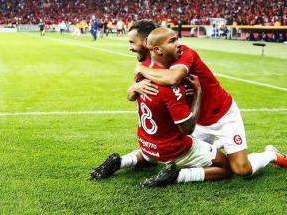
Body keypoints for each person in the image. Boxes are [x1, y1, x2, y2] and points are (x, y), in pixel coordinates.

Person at [131, 23, 287, 177]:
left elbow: (173, 78)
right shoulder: (157, 65)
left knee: (241, 170)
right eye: (172, 41)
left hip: (222, 115)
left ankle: (271, 154)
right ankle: (222, 144)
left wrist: (141, 69)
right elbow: (135, 93)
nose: (178, 44)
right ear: (157, 49)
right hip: (197, 120)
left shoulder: (186, 54)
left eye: (176, 39)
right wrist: (133, 88)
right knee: (187, 162)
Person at [91, 73, 232, 187]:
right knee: (226, 166)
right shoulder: (169, 84)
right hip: (172, 150)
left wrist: (135, 86)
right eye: (172, 41)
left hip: (147, 144)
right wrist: (198, 92)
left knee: (152, 153)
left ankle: (121, 161)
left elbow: (130, 96)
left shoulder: (142, 76)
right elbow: (188, 128)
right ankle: (177, 176)